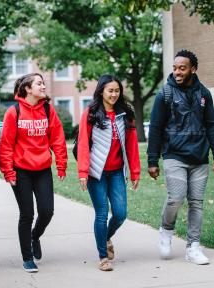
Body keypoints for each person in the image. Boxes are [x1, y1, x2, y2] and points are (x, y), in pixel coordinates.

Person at [147, 49, 214, 265]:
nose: (177, 72)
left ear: (193, 69)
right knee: (176, 197)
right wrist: (153, 160)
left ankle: (193, 247)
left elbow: (212, 125)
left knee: (196, 203)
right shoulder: (165, 94)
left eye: (182, 68)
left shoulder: (204, 94)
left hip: (199, 157)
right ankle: (166, 230)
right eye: (175, 68)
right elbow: (155, 128)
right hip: (174, 155)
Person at [0, 73, 67, 273]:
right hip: (21, 171)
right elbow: (6, 144)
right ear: (28, 88)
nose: (43, 86)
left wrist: (61, 164)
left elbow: (57, 138)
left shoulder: (47, 109)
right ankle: (27, 257)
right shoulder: (14, 111)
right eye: (39, 83)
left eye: (43, 83)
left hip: (43, 169)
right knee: (27, 214)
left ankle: (35, 236)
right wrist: (8, 171)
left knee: (47, 212)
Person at [77, 74, 140, 271]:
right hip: (97, 173)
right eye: (110, 90)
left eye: (117, 91)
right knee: (102, 213)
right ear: (101, 91)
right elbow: (83, 144)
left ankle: (105, 237)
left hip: (116, 173)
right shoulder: (91, 113)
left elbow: (132, 145)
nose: (114, 94)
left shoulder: (125, 113)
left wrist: (135, 172)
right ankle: (103, 257)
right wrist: (83, 171)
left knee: (121, 213)